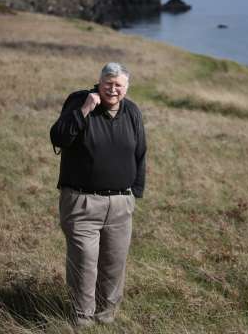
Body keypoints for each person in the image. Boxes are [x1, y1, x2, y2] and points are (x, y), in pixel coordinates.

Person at [50, 62, 146, 328]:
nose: (112, 89)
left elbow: (140, 154)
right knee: (84, 264)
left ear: (126, 87)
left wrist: (133, 195)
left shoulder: (132, 112)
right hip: (82, 203)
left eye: (119, 85)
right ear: (99, 82)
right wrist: (84, 110)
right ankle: (83, 318)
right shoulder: (79, 101)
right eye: (108, 83)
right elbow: (59, 138)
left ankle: (107, 315)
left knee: (114, 263)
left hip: (120, 205)